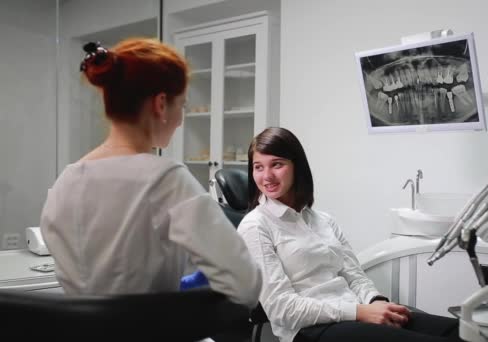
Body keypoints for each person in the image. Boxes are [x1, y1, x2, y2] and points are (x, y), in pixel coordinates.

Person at [40, 38, 261, 309]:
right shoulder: (166, 179)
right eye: (182, 105)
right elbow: (246, 284)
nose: (181, 119)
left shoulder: (65, 182)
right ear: (160, 104)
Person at [238, 127, 463, 342]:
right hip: (312, 330)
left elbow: (355, 275)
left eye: (276, 165)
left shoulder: (323, 220)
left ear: (297, 166)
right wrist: (359, 312)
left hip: (356, 312)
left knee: (463, 332)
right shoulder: (255, 226)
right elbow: (282, 309)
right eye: (258, 167)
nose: (266, 176)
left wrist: (376, 303)